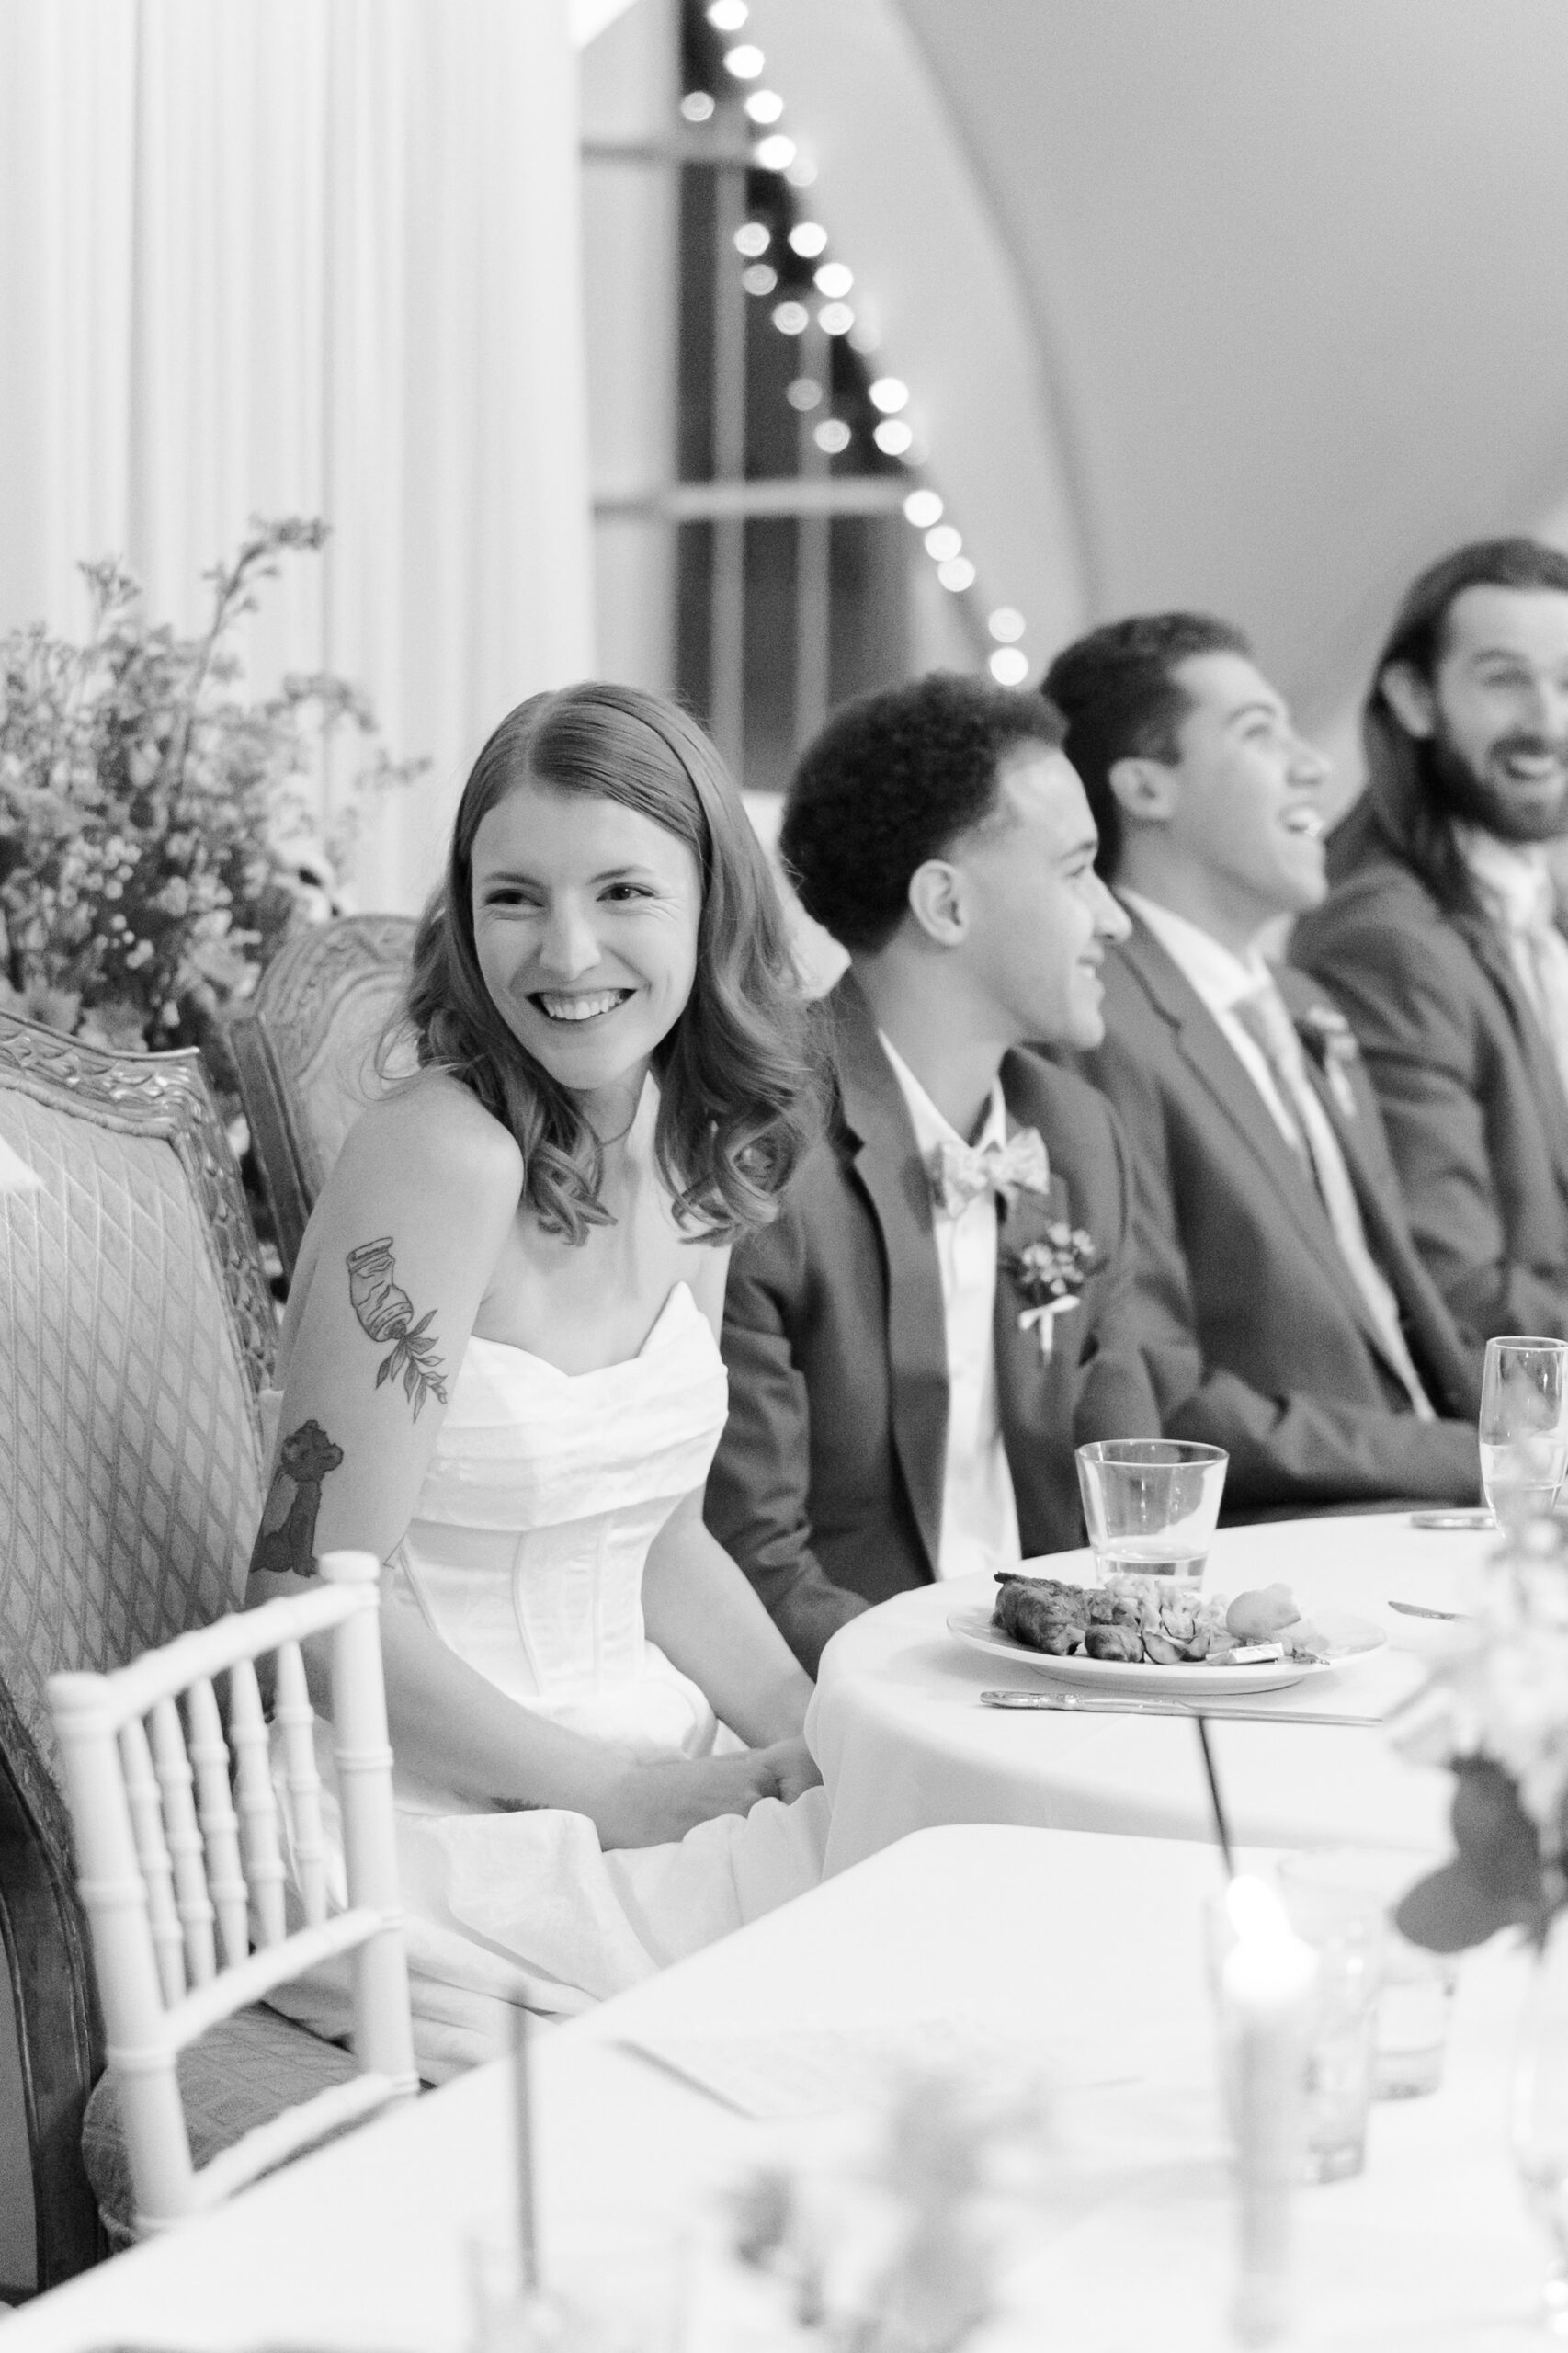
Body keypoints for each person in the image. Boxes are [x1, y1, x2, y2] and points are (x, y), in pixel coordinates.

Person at [246, 683, 830, 2079]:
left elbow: (662, 1543)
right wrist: (631, 1800)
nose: (565, 954)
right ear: (464, 915)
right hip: (419, 1822)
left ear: (709, 903)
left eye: (622, 890)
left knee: (919, 1857)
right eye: (514, 899)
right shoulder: (445, 1157)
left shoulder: (692, 1154)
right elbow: (309, 1606)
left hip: (626, 1768)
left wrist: (818, 1734)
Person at [704, 672, 1161, 1677]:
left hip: (1075, 1683)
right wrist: (971, 1688)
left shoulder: (1074, 1132)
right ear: (944, 903)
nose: (1114, 918)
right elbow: (750, 1561)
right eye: (1077, 871)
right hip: (857, 1695)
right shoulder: (760, 1154)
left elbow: (1131, 1500)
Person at [1043, 613, 1481, 1517]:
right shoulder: (1095, 1021)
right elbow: (1166, 1401)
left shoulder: (1298, 1000)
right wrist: (1471, 1458)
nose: (1310, 765)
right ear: (1143, 787)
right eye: (1257, 732)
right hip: (1296, 1535)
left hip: (1436, 1503)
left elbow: (1395, 1311)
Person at [1292, 539, 1568, 1341]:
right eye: (1503, 679)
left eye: (1565, 682)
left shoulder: (1531, 904)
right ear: (1414, 700)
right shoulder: (1386, 940)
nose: (1546, 721)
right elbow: (1456, 1296)